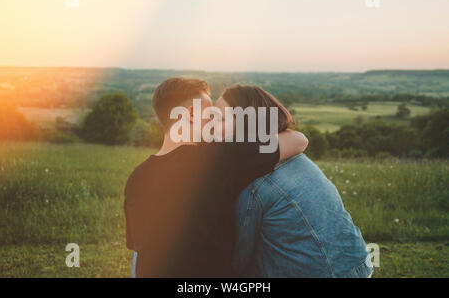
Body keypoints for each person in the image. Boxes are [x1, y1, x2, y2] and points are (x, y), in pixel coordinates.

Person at [124, 78, 309, 277]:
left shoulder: (137, 177)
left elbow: (139, 246)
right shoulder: (215, 158)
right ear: (192, 115)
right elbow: (298, 140)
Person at [215, 85, 373, 278]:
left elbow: (239, 255)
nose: (212, 126)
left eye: (221, 119)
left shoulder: (254, 180)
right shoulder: (292, 156)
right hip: (357, 264)